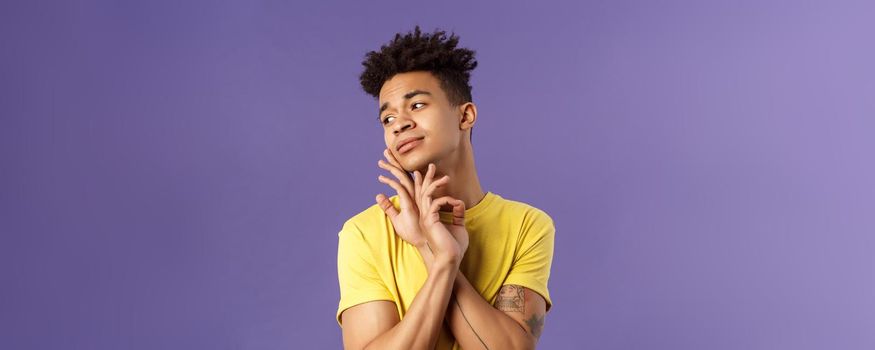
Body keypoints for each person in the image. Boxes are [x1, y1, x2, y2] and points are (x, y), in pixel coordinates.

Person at [336, 26, 555, 350]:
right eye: (387, 118)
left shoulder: (527, 225)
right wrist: (441, 258)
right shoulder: (364, 232)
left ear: (465, 115)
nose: (400, 123)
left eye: (418, 105)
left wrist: (430, 248)